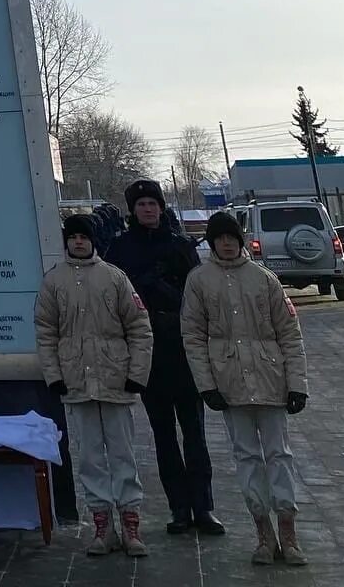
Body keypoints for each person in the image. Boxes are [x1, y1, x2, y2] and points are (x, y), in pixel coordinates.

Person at [181, 210, 310, 567]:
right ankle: (263, 534)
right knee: (247, 458)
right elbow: (192, 336)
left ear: (239, 240)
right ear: (211, 241)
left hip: (271, 382)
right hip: (230, 384)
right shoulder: (199, 281)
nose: (226, 243)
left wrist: (297, 384)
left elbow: (289, 333)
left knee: (279, 456)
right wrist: (207, 385)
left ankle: (289, 532)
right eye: (219, 237)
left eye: (231, 237)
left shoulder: (264, 279)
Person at [106, 179, 222, 536]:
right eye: (141, 204)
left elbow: (197, 294)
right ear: (133, 210)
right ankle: (179, 509)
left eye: (153, 204)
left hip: (183, 349)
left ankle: (203, 507)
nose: (148, 210)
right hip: (148, 352)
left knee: (195, 435)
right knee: (163, 437)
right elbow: (115, 299)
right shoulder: (120, 249)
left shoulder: (181, 245)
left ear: (161, 207)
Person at [35, 213, 153, 558]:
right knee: (89, 457)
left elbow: (139, 327)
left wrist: (137, 373)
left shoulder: (115, 278)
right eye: (72, 237)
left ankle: (131, 522)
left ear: (93, 241)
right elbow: (46, 332)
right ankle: (102, 524)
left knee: (122, 453)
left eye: (83, 237)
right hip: (76, 381)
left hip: (116, 379)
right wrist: (54, 375)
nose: (78, 242)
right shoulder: (53, 281)